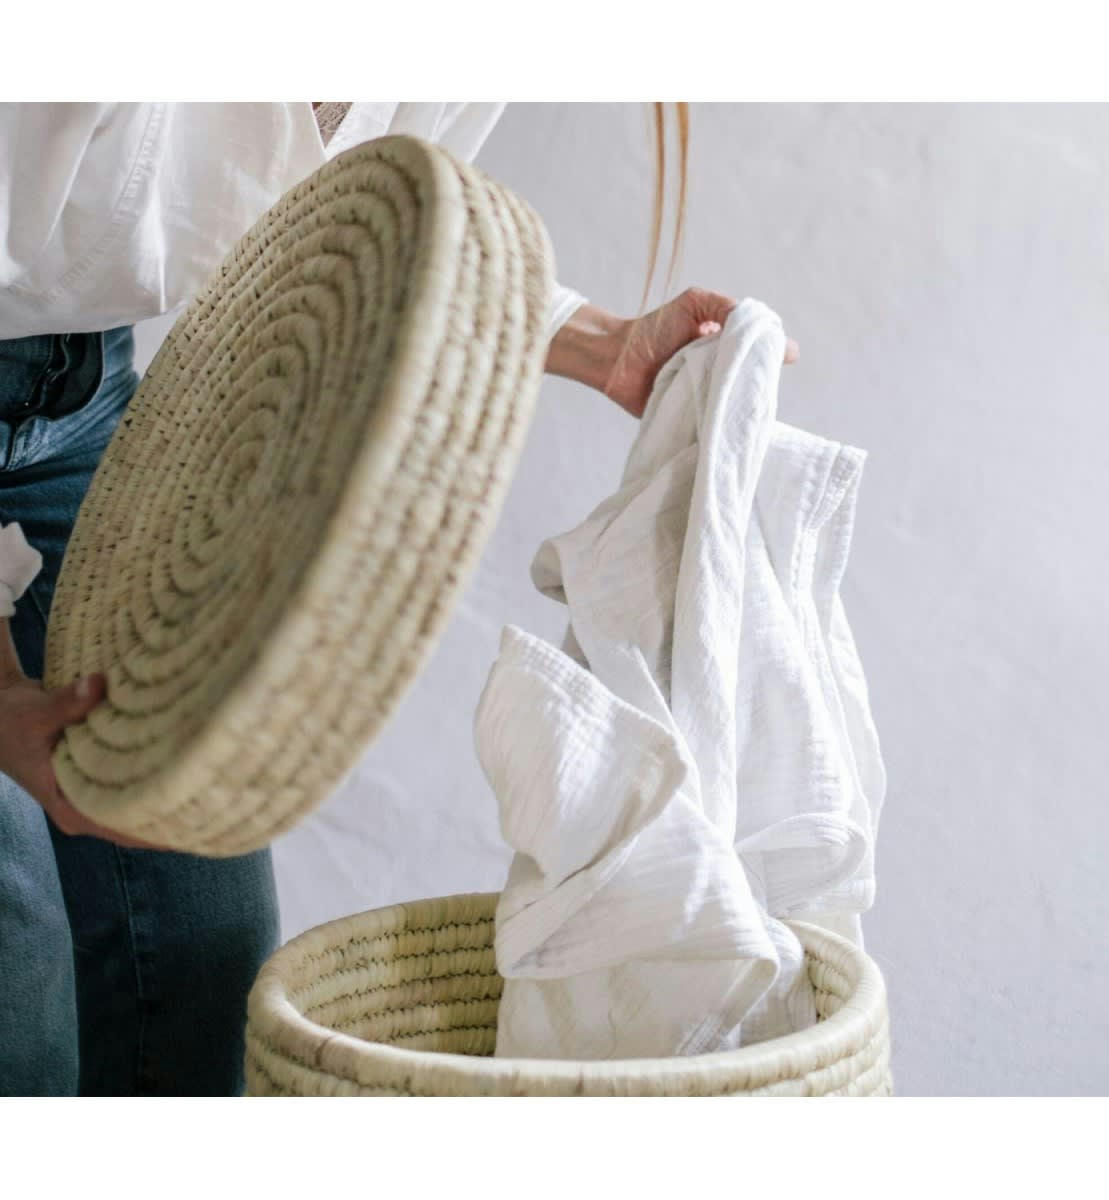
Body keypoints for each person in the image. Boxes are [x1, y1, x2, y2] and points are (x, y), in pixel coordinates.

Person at [0, 102, 798, 1096]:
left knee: (203, 941)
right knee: (15, 959)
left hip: (78, 396)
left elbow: (344, 223)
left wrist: (600, 341)